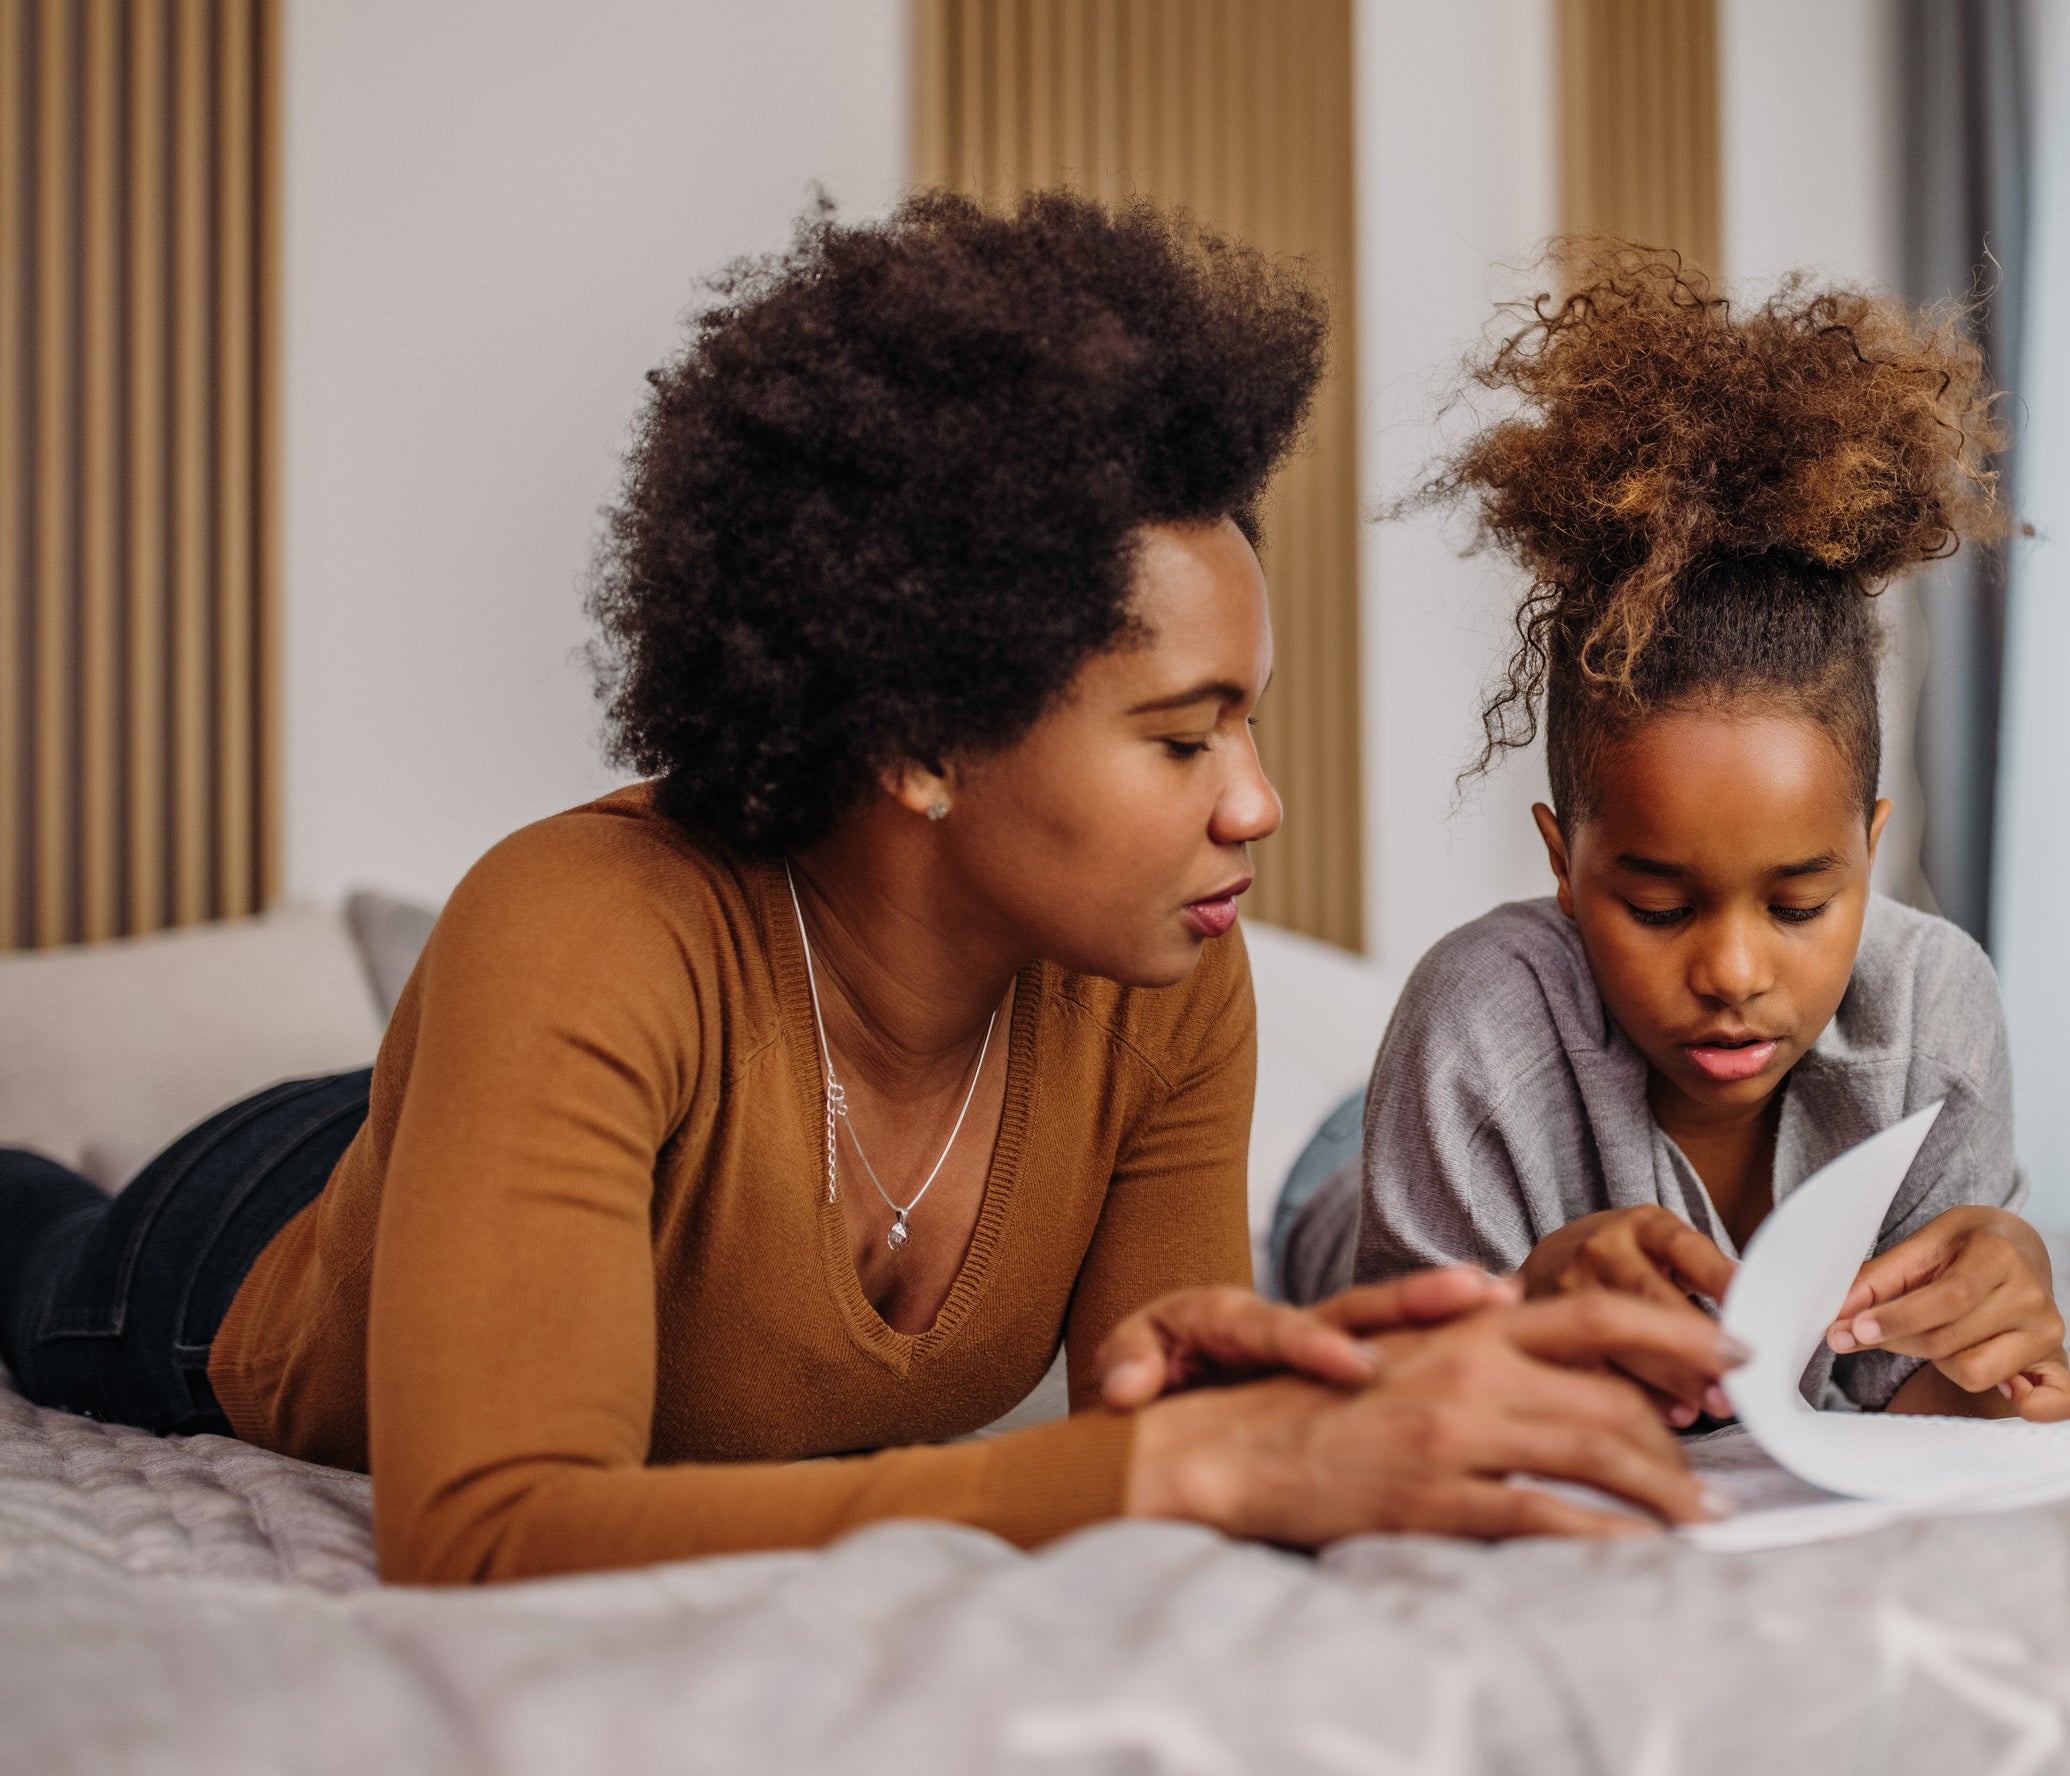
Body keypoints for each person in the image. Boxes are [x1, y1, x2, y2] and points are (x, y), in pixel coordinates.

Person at [0, 195, 1741, 1585]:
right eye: (1180, 738)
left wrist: (1401, 1366)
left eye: (1250, 725)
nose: (1257, 805)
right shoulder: (574, 929)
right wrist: (1177, 1458)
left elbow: (1178, 1415)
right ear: (916, 735)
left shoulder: (1164, 979)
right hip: (247, 1240)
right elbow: (490, 1529)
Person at [1277, 249, 2070, 1424]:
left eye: (1801, 903)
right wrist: (1521, 1315)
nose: (1733, 973)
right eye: (1658, 907)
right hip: (1340, 1178)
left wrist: (1994, 1362)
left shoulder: (1932, 1012)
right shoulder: (1473, 1029)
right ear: (1562, 861)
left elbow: (1918, 1402)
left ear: (1870, 847)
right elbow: (1396, 1405)